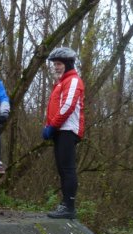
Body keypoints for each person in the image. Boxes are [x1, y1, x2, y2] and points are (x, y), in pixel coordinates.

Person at [42, 47, 85, 219]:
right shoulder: (61, 83)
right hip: (60, 129)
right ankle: (65, 204)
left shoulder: (73, 80)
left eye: (58, 64)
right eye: (54, 64)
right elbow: (54, 107)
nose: (55, 67)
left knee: (67, 169)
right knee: (62, 169)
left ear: (67, 64)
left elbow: (67, 106)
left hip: (68, 129)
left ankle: (69, 207)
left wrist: (52, 126)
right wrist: (49, 126)